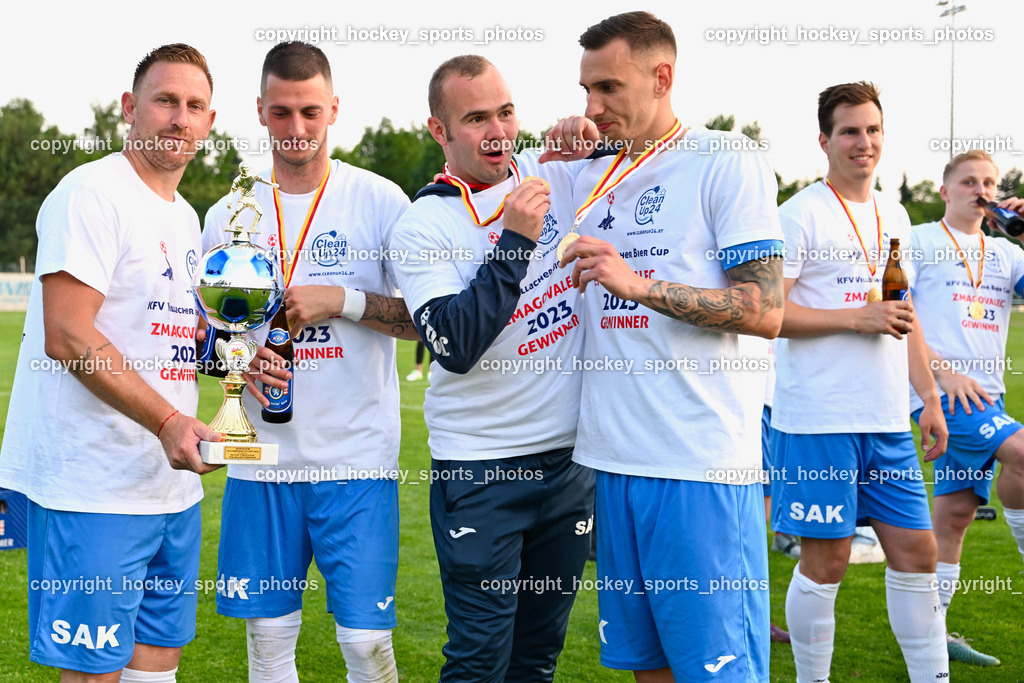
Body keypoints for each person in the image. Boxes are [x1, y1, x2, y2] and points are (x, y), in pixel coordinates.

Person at [549, 11, 785, 681]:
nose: (593, 107)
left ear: (662, 78)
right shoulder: (596, 169)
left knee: (718, 670)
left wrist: (636, 283)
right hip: (612, 463)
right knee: (645, 667)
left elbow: (765, 310)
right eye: (585, 90)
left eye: (609, 89)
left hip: (699, 468)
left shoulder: (726, 159)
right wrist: (555, 140)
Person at [0, 44, 219, 682]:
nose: (180, 118)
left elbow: (166, 333)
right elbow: (67, 334)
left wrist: (235, 357)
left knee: (157, 663)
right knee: (95, 672)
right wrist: (168, 423)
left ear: (209, 122)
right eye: (165, 101)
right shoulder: (91, 192)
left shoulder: (186, 217)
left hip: (168, 486)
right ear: (129, 109)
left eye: (195, 106)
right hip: (92, 485)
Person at [202, 42, 416, 683]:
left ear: (334, 110)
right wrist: (238, 359)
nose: (297, 130)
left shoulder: (380, 201)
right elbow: (203, 342)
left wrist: (342, 302)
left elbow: (421, 322)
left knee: (365, 645)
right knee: (267, 644)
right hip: (259, 462)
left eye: (311, 112)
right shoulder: (227, 215)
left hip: (356, 461)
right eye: (283, 112)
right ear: (261, 113)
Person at [389, 55, 594, 683]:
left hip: (568, 465)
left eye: (505, 112)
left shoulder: (546, 171)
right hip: (482, 468)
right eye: (476, 118)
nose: (497, 131)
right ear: (439, 131)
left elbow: (638, 152)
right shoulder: (422, 224)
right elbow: (454, 342)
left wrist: (588, 131)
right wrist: (515, 243)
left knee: (537, 657)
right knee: (479, 659)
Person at [771, 81, 950, 682]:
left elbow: (906, 314)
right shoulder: (796, 214)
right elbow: (769, 316)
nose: (863, 142)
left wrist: (928, 397)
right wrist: (857, 316)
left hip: (886, 419)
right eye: (849, 130)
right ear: (824, 140)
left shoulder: (895, 214)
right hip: (819, 419)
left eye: (872, 130)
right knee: (828, 560)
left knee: (918, 553)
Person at [909, 149, 1024, 667]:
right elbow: (898, 315)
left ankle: (934, 633)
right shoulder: (919, 241)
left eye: (989, 182)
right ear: (946, 190)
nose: (981, 189)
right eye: (969, 181)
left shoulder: (1007, 253)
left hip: (988, 394)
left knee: (955, 515)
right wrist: (940, 372)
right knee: (1022, 452)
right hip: (942, 393)